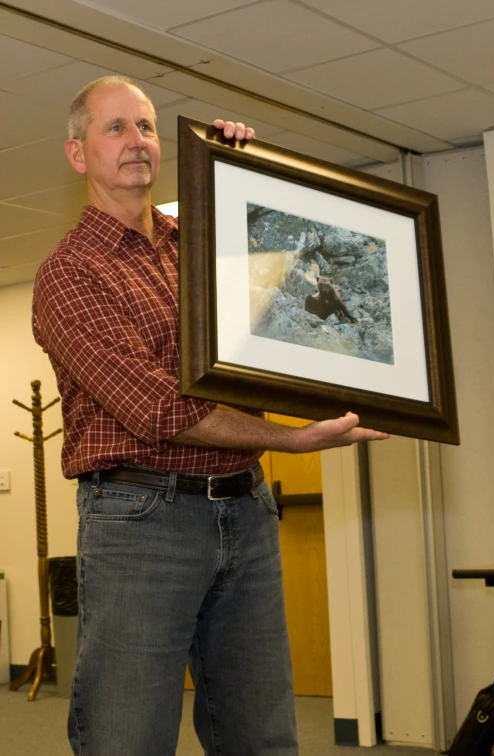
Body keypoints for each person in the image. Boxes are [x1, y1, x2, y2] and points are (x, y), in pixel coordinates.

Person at [32, 75, 389, 756]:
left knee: (262, 737)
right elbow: (157, 407)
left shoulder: (200, 244)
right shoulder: (69, 274)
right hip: (141, 519)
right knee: (126, 739)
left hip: (245, 512)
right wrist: (290, 440)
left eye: (146, 126)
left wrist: (243, 179)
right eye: (115, 128)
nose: (136, 141)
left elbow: (297, 295)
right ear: (78, 154)